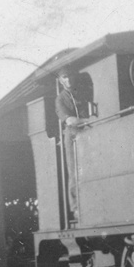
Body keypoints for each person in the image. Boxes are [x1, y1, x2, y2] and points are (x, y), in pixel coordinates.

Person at [55, 67, 85, 223]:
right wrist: (89, 120)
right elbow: (70, 120)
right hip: (72, 135)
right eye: (65, 77)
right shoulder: (60, 99)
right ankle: (76, 208)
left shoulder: (78, 94)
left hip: (85, 133)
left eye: (70, 76)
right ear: (61, 80)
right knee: (73, 171)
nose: (68, 80)